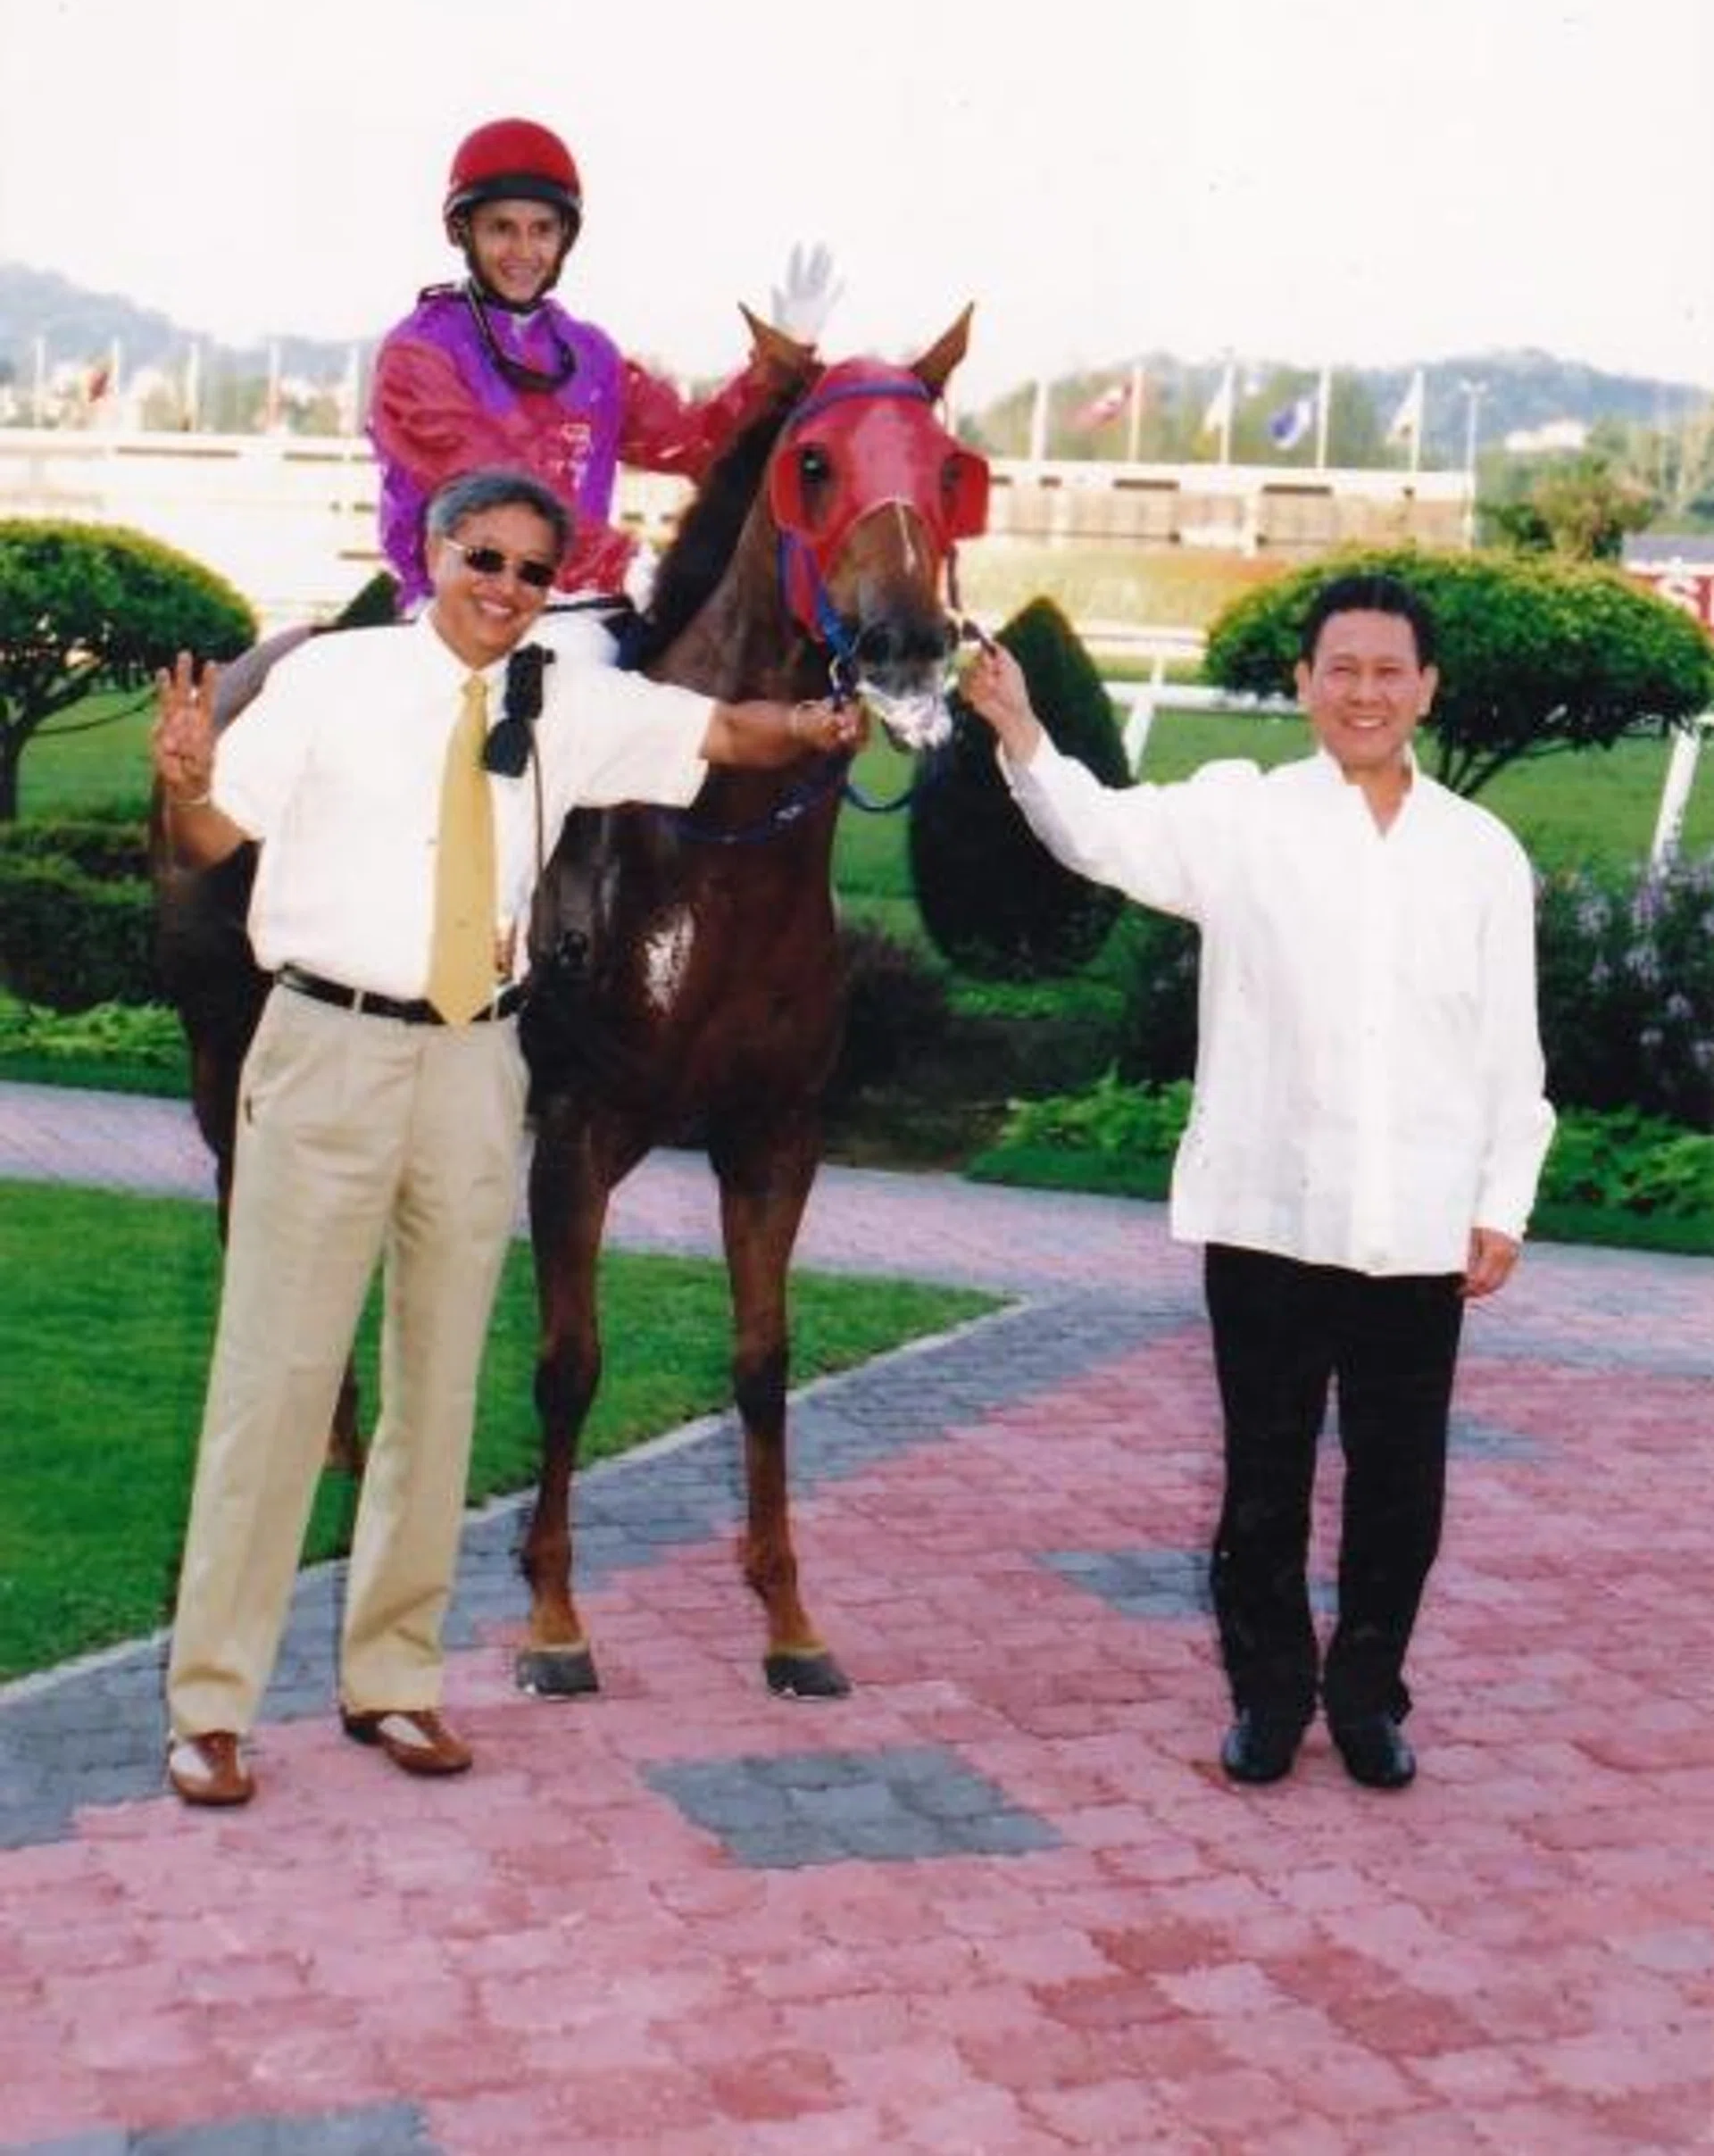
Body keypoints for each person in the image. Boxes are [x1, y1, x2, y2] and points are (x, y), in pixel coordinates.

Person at [153, 466, 863, 1810]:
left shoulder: (566, 698)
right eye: (486, 558)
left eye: (536, 571)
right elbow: (209, 834)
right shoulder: (334, 679)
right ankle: (213, 1702)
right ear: (434, 552)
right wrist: (188, 777)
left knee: (439, 1391)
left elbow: (726, 732)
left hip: (479, 1063)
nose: (508, 589)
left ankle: (394, 1680)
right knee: (279, 1384)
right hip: (329, 1053)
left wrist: (821, 720)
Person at [961, 571, 1554, 1792]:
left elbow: (1511, 1050)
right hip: (1270, 1212)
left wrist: (1504, 1199)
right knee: (1264, 1481)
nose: (1366, 692)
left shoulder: (1481, 853)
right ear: (1302, 685)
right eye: (1342, 669)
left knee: (1403, 1489)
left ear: (1427, 688)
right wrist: (1025, 731)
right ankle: (1271, 1698)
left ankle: (1370, 1695)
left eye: (1391, 671)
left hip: (1418, 1225)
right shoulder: (1245, 818)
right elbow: (1105, 833)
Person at [368, 116, 841, 609]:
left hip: (578, 608)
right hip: (459, 610)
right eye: (502, 229)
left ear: (565, 237)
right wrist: (623, 565)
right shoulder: (418, 355)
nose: (524, 251)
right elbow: (495, 497)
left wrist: (783, 360)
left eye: (543, 230)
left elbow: (698, 443)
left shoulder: (589, 355)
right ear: (463, 232)